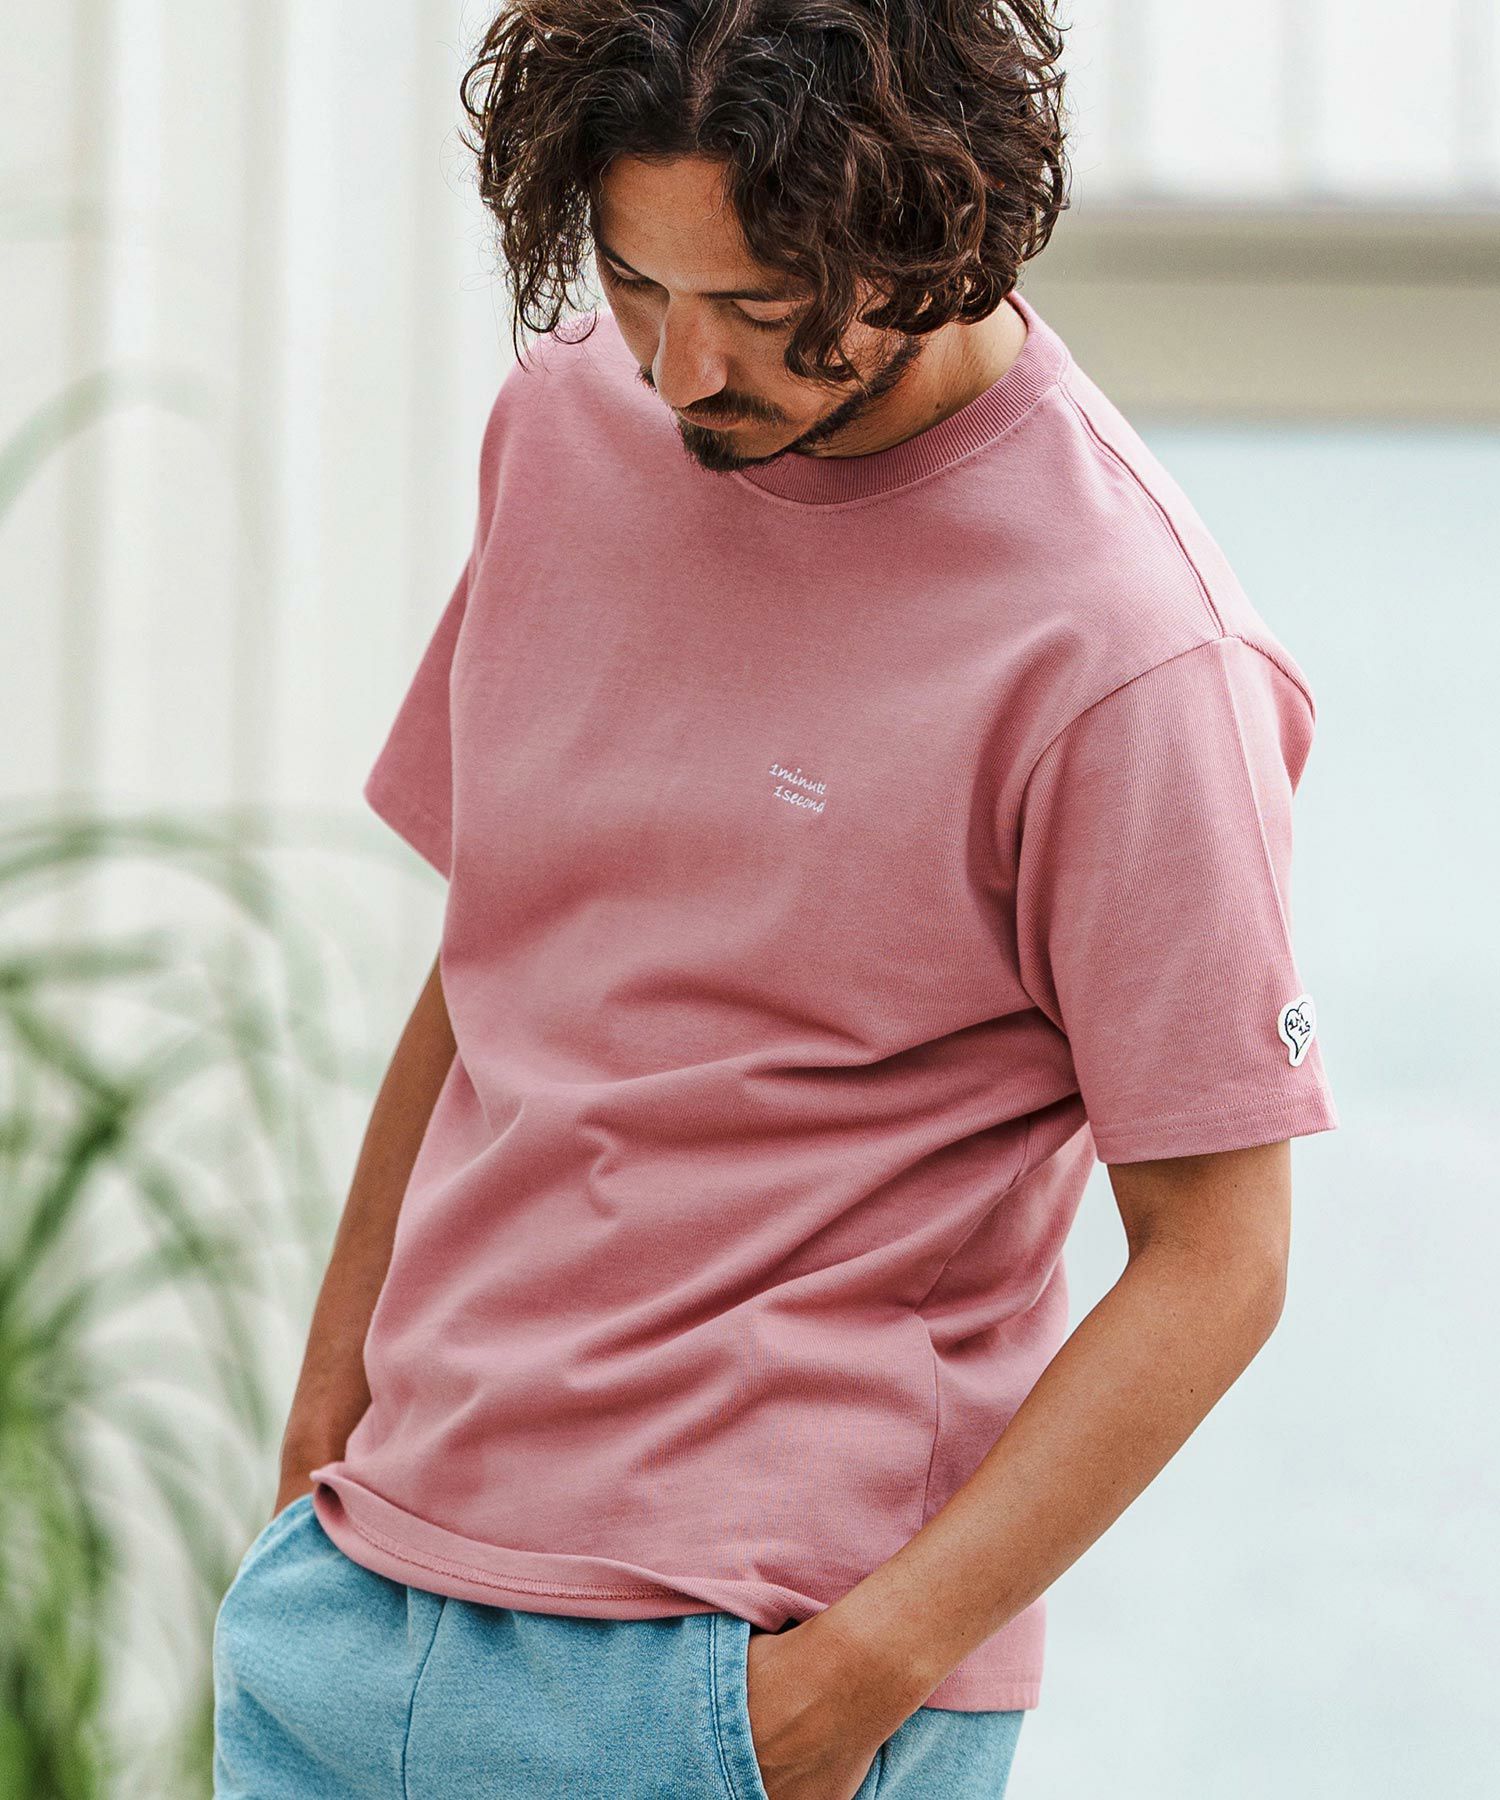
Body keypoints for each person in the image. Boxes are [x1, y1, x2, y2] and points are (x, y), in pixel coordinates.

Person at [211, 3, 1340, 1796]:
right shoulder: (565, 426)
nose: (679, 371)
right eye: (636, 282)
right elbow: (499, 951)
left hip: (736, 1669)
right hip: (362, 1604)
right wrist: (321, 1431)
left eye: (755, 304)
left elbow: (1222, 1259)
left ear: (937, 227)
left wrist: (857, 1678)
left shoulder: (1131, 649)